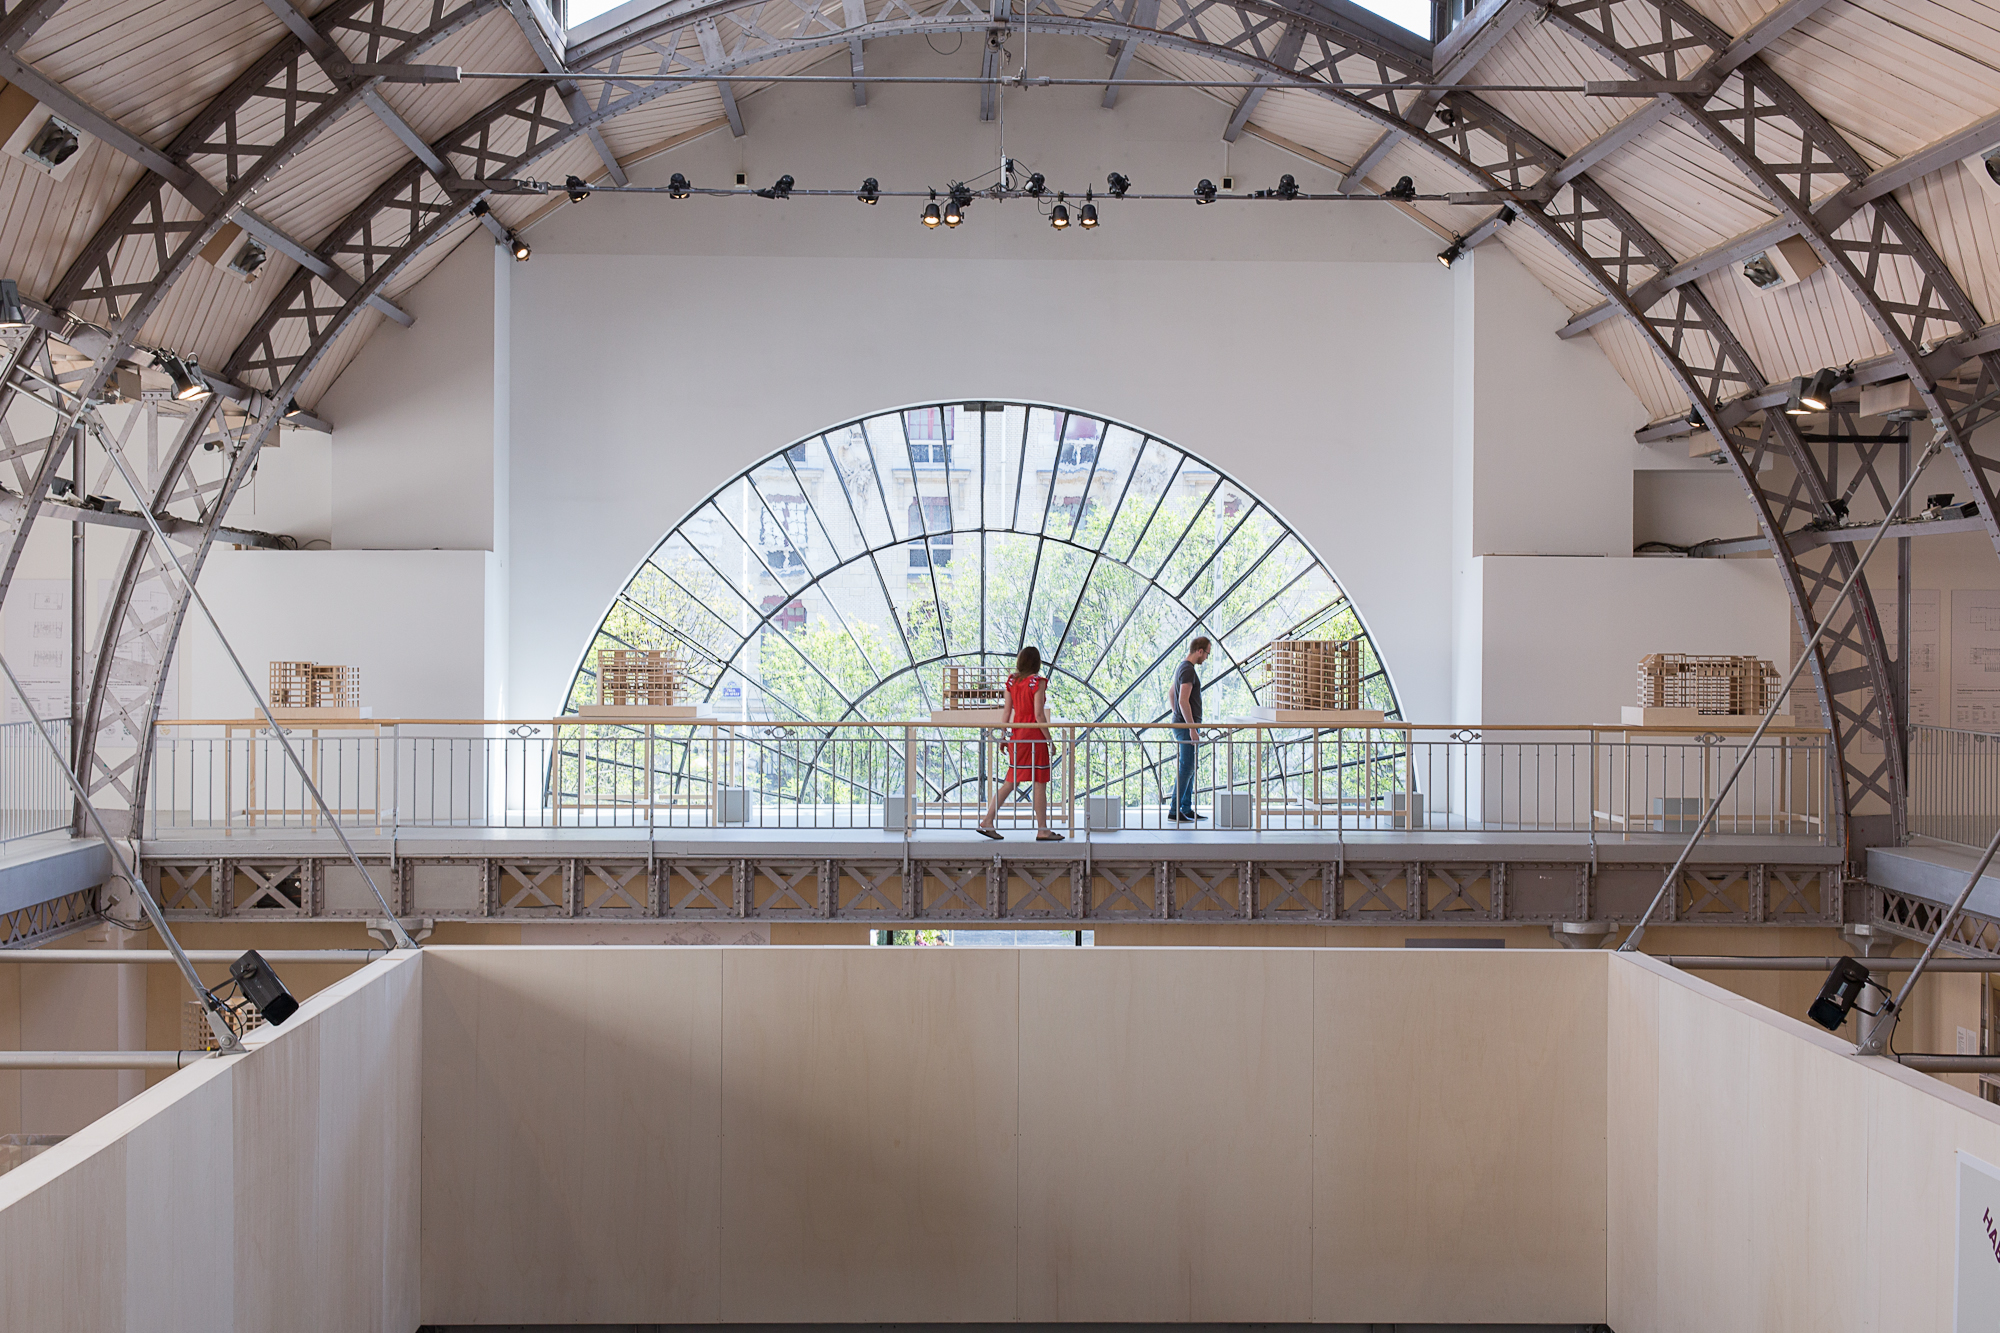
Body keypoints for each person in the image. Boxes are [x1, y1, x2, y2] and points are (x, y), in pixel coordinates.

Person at [976, 646, 1064, 842]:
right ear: (1036, 663)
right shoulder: (1037, 682)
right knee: (1039, 782)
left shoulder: (1012, 681)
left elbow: (1007, 712)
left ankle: (988, 820)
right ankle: (1042, 829)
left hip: (1017, 737)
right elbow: (1039, 714)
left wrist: (1003, 736)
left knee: (1010, 782)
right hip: (1034, 738)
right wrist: (1049, 740)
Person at [1170, 636, 1210, 824]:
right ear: (1199, 651)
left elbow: (1172, 692)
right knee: (1186, 767)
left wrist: (1177, 715)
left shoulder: (1183, 667)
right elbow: (1183, 700)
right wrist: (1191, 727)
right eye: (1207, 653)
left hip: (1184, 725)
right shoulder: (1188, 670)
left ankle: (1185, 808)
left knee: (1190, 767)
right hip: (1187, 727)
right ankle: (1174, 810)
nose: (1206, 658)